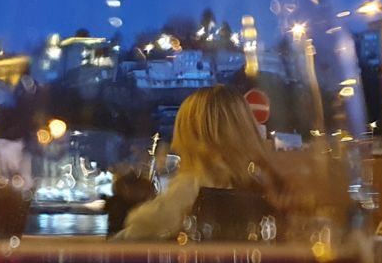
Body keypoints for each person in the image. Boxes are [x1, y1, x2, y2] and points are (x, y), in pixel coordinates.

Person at [116, 85, 283, 240]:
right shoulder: (265, 187)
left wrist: (131, 218)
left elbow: (146, 225)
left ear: (190, 136)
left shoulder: (191, 187)